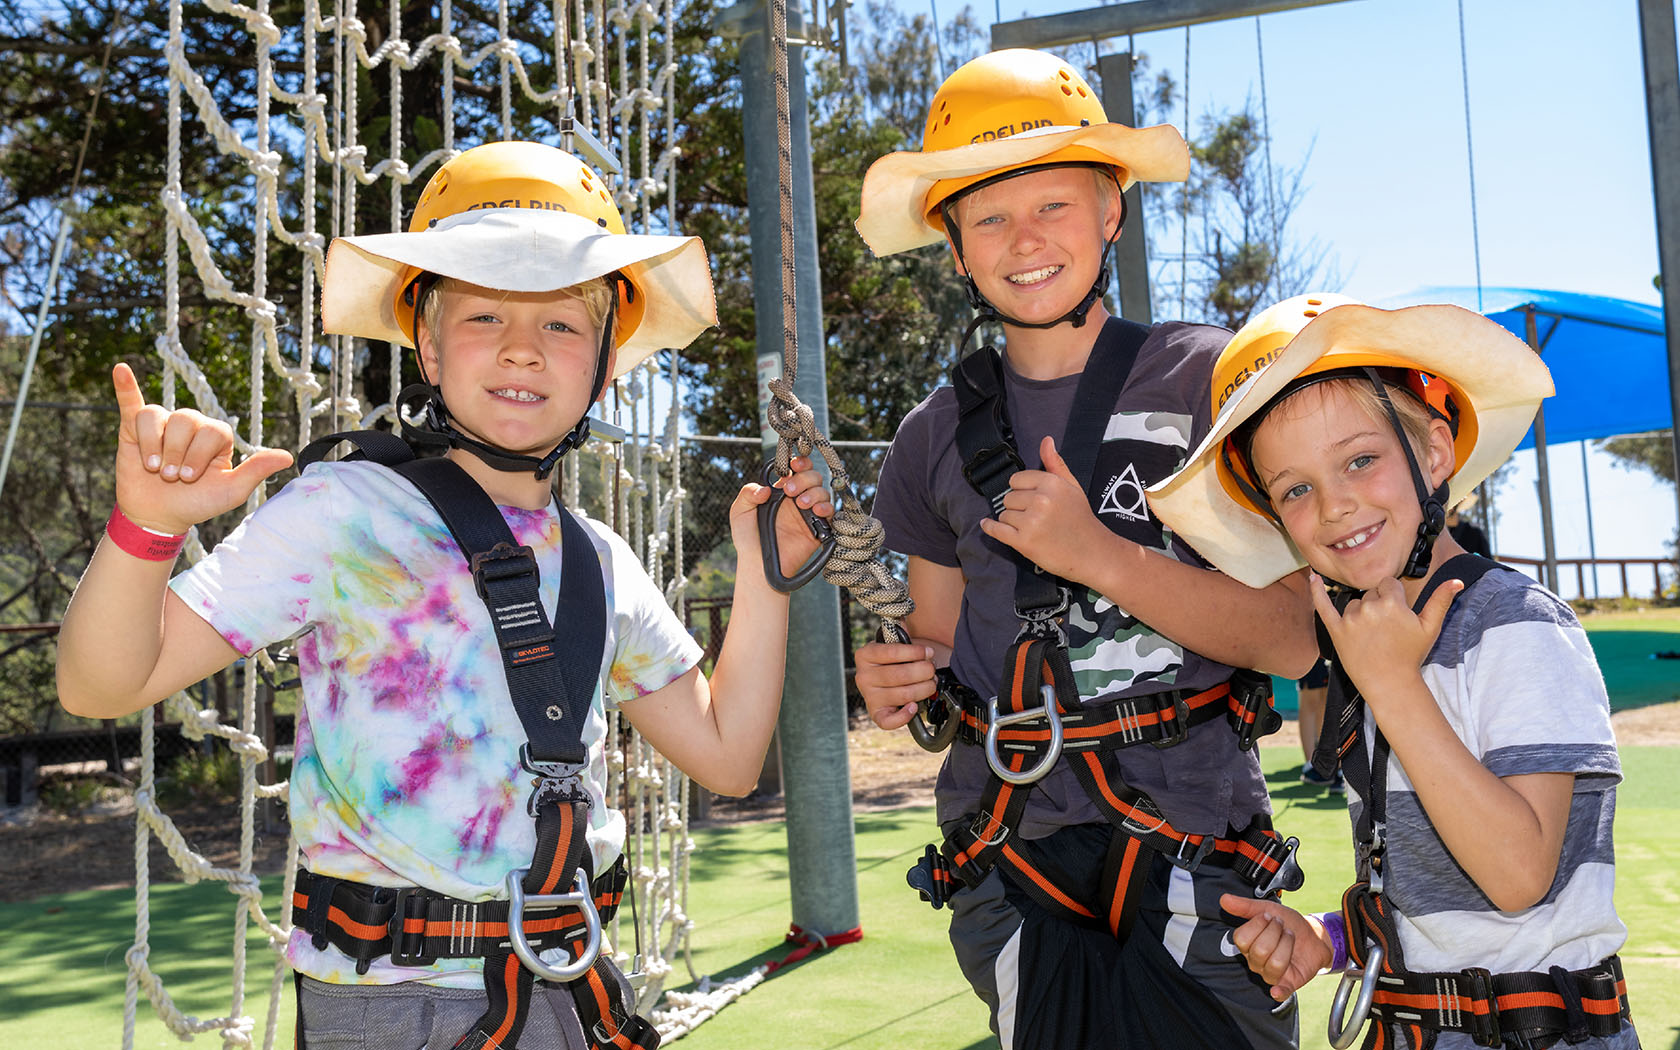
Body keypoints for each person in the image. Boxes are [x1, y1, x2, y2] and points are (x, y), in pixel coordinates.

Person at [56, 141, 834, 1050]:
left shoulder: (600, 561)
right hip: (389, 1004)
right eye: (484, 315)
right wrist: (144, 530)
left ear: (607, 362)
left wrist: (764, 572)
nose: (521, 348)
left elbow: (730, 756)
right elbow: (101, 686)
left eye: (561, 325)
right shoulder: (347, 512)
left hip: (569, 990)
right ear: (424, 340)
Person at [850, 49, 1319, 1050]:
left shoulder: (1209, 381)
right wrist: (901, 680)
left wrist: (1100, 556)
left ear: (1112, 209)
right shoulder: (932, 438)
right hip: (1011, 861)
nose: (1025, 239)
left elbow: (1290, 639)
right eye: (989, 217)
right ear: (955, 248)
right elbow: (939, 667)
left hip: (1194, 844)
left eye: (1054, 205)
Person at [1149, 295, 1637, 1050]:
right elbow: (1435, 892)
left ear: (1434, 455)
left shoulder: (1513, 623)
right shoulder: (1368, 649)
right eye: (1296, 489)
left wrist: (1393, 686)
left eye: (1361, 460)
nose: (1337, 505)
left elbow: (1516, 877)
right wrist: (1331, 939)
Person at [1293, 659, 1343, 793]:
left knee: (1328, 699)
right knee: (1312, 697)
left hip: (1333, 647)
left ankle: (1332, 765)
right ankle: (1313, 765)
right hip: (1312, 648)